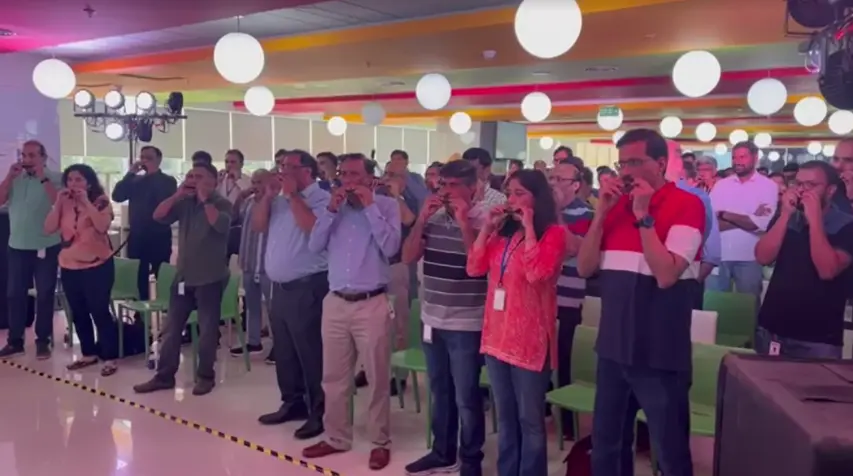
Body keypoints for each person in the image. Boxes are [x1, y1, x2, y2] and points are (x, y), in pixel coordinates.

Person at [576, 129, 705, 476]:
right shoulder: (614, 206)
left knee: (669, 449)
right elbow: (585, 267)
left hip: (660, 352)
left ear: (660, 163)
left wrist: (644, 216)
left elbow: (666, 275)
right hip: (614, 348)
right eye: (622, 164)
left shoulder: (687, 205)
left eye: (635, 162)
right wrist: (601, 214)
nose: (626, 171)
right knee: (607, 444)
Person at [302, 154, 401, 470]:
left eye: (355, 174)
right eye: (343, 174)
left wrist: (370, 205)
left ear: (370, 177)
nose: (347, 180)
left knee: (376, 376)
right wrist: (331, 209)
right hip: (335, 301)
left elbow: (391, 248)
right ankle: (336, 437)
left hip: (372, 302)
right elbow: (314, 246)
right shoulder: (334, 208)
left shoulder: (386, 207)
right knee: (333, 377)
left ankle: (380, 441)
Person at [468, 170, 565, 476]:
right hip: (497, 336)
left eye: (520, 193)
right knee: (506, 418)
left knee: (530, 421)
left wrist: (530, 229)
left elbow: (538, 274)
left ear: (538, 197)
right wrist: (486, 230)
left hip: (530, 340)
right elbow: (474, 267)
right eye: (509, 193)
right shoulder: (502, 234)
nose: (512, 200)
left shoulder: (554, 233)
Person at [402, 160, 489, 476]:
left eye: (454, 186)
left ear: (472, 188)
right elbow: (408, 257)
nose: (447, 192)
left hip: (466, 323)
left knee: (467, 396)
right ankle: (442, 453)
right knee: (439, 391)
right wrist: (421, 221)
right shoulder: (432, 217)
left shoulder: (485, 220)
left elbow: (479, 266)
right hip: (432, 319)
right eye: (442, 186)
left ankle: (470, 461)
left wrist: (465, 223)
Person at [133, 162, 232, 396]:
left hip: (210, 277)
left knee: (207, 330)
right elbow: (158, 215)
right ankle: (164, 376)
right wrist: (178, 194)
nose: (193, 179)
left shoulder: (222, 203)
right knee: (171, 329)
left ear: (213, 181)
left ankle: (205, 376)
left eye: (200, 177)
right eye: (191, 175)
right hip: (183, 277)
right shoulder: (185, 203)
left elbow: (219, 225)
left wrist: (205, 199)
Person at [253, 150, 329, 440]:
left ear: (307, 171)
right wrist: (268, 197)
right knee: (285, 351)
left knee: (311, 353)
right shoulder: (280, 199)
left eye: (289, 166)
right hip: (279, 288)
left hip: (308, 286)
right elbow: (259, 226)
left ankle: (318, 411)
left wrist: (294, 195)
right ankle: (292, 402)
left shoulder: (321, 198)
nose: (281, 170)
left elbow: (313, 229)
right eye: (280, 165)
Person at [755, 161, 853, 359]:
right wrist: (784, 216)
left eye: (812, 185)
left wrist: (815, 219)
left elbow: (827, 270)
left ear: (831, 190)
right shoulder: (786, 216)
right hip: (773, 328)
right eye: (799, 184)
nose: (803, 190)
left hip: (818, 337)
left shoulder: (846, 225)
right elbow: (762, 257)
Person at [44, 164, 117, 376]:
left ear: (89, 182)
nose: (73, 184)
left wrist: (86, 202)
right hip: (69, 265)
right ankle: (88, 353)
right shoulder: (64, 202)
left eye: (79, 180)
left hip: (97, 265)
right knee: (78, 311)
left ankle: (110, 356)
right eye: (70, 180)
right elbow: (48, 228)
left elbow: (102, 226)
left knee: (99, 310)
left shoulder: (101, 201)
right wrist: (57, 203)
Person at [0, 140, 62, 359]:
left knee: (45, 294)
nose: (26, 160)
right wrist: (9, 177)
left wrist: (42, 177)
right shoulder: (16, 179)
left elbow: (59, 204)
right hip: (17, 245)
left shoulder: (56, 178)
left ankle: (42, 340)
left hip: (46, 245)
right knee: (14, 294)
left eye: (32, 156)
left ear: (43, 158)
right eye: (24, 155)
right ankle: (15, 341)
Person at [548, 160, 593, 438]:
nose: (553, 185)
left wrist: (556, 215)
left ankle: (567, 424)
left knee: (564, 361)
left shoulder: (586, 214)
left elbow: (571, 249)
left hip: (569, 298)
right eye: (551, 179)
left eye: (559, 180)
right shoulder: (544, 213)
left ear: (576, 185)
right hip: (542, 297)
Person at [708, 141, 779, 315]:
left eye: (742, 156)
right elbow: (712, 222)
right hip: (719, 254)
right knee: (713, 306)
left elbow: (761, 224)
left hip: (750, 255)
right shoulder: (721, 185)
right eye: (734, 157)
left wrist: (726, 214)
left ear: (755, 157)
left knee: (749, 309)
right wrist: (748, 217)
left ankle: (751, 342)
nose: (737, 161)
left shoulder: (768, 186)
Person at [111, 146, 177, 304]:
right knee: (138, 276)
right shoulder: (135, 181)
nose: (144, 161)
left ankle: (166, 309)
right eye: (142, 157)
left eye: (149, 158)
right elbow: (117, 196)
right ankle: (140, 314)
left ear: (159, 160)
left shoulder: (168, 181)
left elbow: (163, 198)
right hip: (137, 236)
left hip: (159, 235)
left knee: (162, 274)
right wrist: (130, 173)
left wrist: (152, 174)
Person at [382, 158, 419, 395]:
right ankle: (373, 369)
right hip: (375, 268)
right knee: (377, 325)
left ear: (403, 181)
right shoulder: (375, 199)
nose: (386, 179)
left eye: (392, 175)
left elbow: (410, 221)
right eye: (385, 173)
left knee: (398, 324)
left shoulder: (407, 201)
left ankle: (399, 376)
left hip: (397, 268)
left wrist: (396, 197)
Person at [230, 169, 272, 357]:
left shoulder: (276, 204)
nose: (255, 186)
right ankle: (253, 342)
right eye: (253, 182)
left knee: (273, 310)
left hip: (267, 265)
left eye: (259, 182)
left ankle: (279, 347)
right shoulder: (247, 203)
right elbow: (233, 218)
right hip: (249, 261)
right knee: (251, 306)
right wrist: (239, 197)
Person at [678, 158, 721, 308]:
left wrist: (696, 280)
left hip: (690, 279)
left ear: (691, 180)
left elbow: (713, 251)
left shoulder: (702, 201)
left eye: (680, 179)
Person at [218, 149, 252, 263]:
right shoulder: (221, 179)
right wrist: (217, 182)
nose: (229, 165)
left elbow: (250, 198)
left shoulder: (248, 181)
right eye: (227, 162)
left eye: (233, 162)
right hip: (220, 223)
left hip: (239, 226)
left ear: (241, 164)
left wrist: (237, 180)